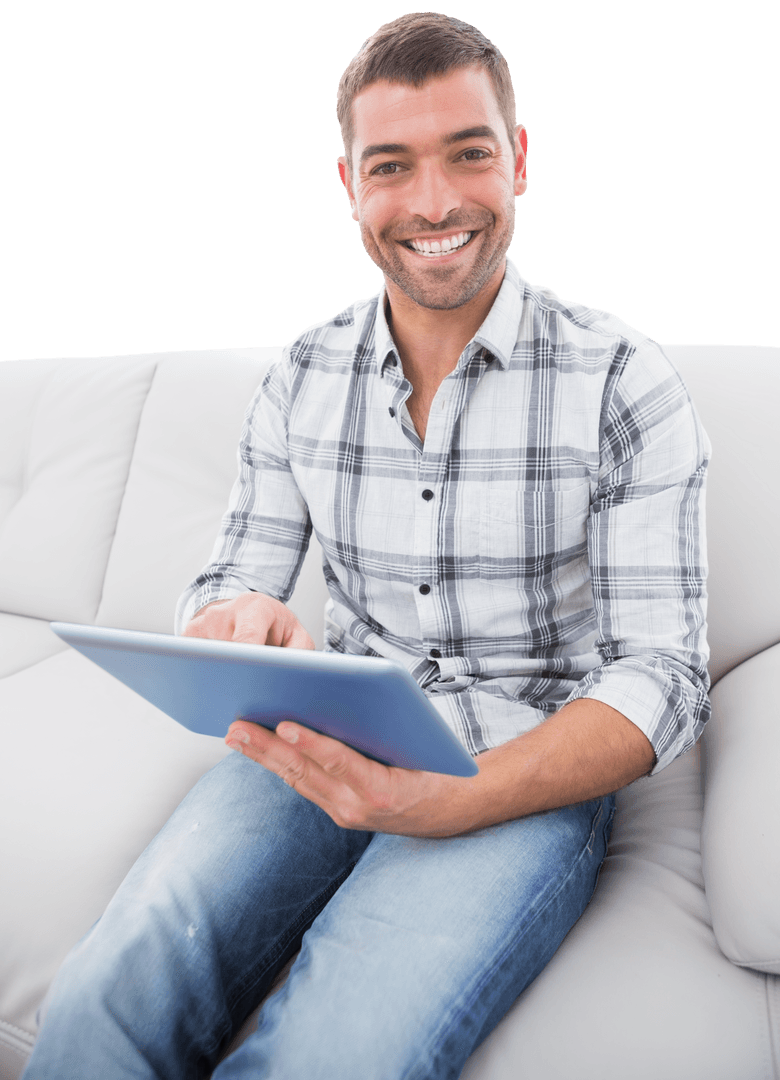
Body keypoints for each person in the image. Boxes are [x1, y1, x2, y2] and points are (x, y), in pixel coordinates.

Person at [22, 12, 710, 1080]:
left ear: (518, 160)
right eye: (393, 166)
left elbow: (660, 675)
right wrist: (233, 616)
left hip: (518, 765)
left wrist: (460, 797)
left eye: (468, 153)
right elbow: (234, 571)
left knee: (337, 1055)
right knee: (105, 1004)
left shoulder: (623, 379)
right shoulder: (304, 373)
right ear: (350, 183)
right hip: (330, 732)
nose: (434, 203)